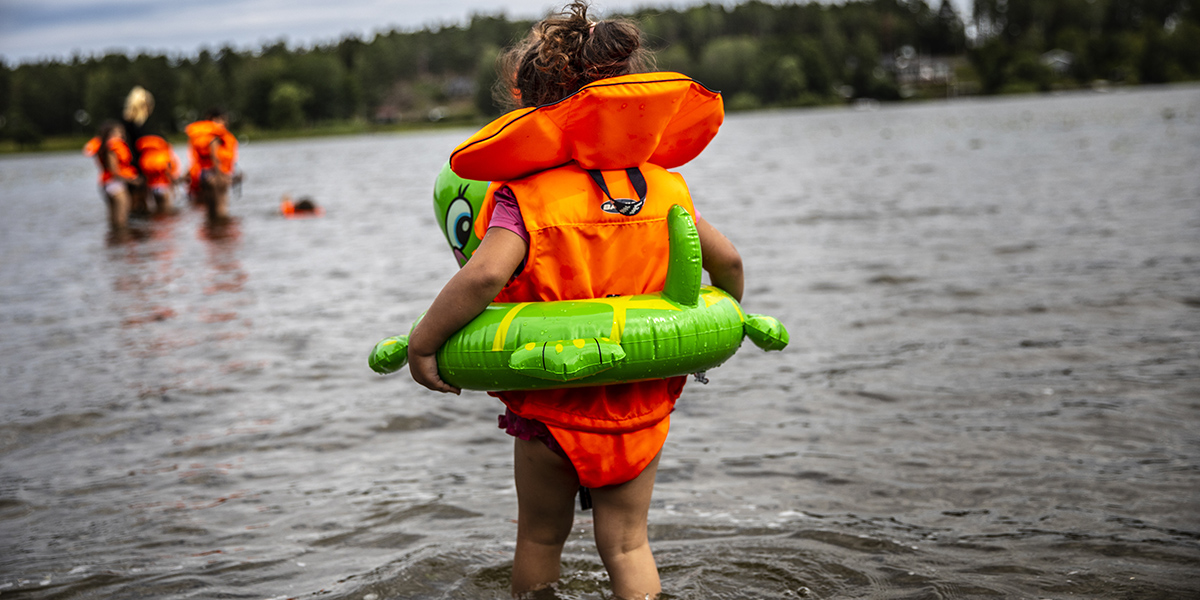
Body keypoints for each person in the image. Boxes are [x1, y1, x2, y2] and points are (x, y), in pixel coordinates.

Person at [406, 2, 743, 598]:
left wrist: (425, 341)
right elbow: (730, 263)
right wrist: (718, 321)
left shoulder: (526, 195)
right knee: (628, 543)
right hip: (639, 404)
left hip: (553, 409)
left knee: (539, 538)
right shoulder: (664, 187)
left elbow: (485, 276)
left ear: (532, 106)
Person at [83, 120, 142, 230]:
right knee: (121, 219)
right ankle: (121, 240)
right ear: (109, 134)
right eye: (118, 132)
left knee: (113, 218)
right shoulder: (112, 147)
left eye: (122, 132)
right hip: (115, 185)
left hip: (107, 184)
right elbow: (114, 172)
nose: (122, 135)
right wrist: (133, 180)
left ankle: (114, 242)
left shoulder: (104, 147)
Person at [185, 108, 239, 220]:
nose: (226, 123)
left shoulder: (202, 135)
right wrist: (220, 175)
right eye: (224, 120)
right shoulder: (215, 135)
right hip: (216, 174)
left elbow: (195, 159)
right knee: (221, 210)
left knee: (209, 211)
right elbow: (215, 156)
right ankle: (222, 234)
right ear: (214, 120)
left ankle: (211, 233)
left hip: (204, 175)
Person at [121, 86, 154, 214]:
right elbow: (131, 149)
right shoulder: (136, 126)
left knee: (136, 205)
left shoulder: (124, 123)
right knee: (137, 202)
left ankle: (137, 230)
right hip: (134, 169)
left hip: (131, 168)